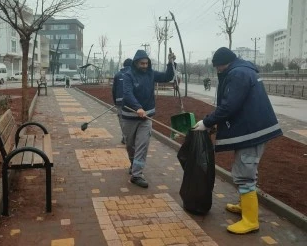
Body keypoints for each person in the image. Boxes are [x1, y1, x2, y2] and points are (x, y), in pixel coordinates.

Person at [193, 47, 283, 234]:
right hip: (252, 129)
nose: (217, 71)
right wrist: (217, 125)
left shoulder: (238, 74)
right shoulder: (243, 70)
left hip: (252, 133)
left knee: (245, 173)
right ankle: (244, 206)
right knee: (245, 168)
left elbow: (229, 105)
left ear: (223, 63)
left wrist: (207, 122)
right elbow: (238, 106)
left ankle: (250, 221)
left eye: (217, 67)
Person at [121, 49, 175, 188]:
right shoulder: (128, 75)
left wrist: (171, 63)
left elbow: (167, 77)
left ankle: (137, 174)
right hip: (130, 116)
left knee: (142, 145)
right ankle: (134, 165)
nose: (145, 66)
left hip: (146, 117)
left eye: (146, 63)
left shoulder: (151, 73)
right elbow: (127, 93)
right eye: (142, 63)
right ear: (136, 63)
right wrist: (138, 107)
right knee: (130, 145)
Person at [112, 58, 132, 144]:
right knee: (131, 120)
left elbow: (113, 90)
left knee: (122, 120)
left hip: (119, 102)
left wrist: (115, 102)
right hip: (131, 102)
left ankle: (125, 137)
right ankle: (130, 138)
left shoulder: (117, 75)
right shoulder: (134, 74)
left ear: (124, 65)